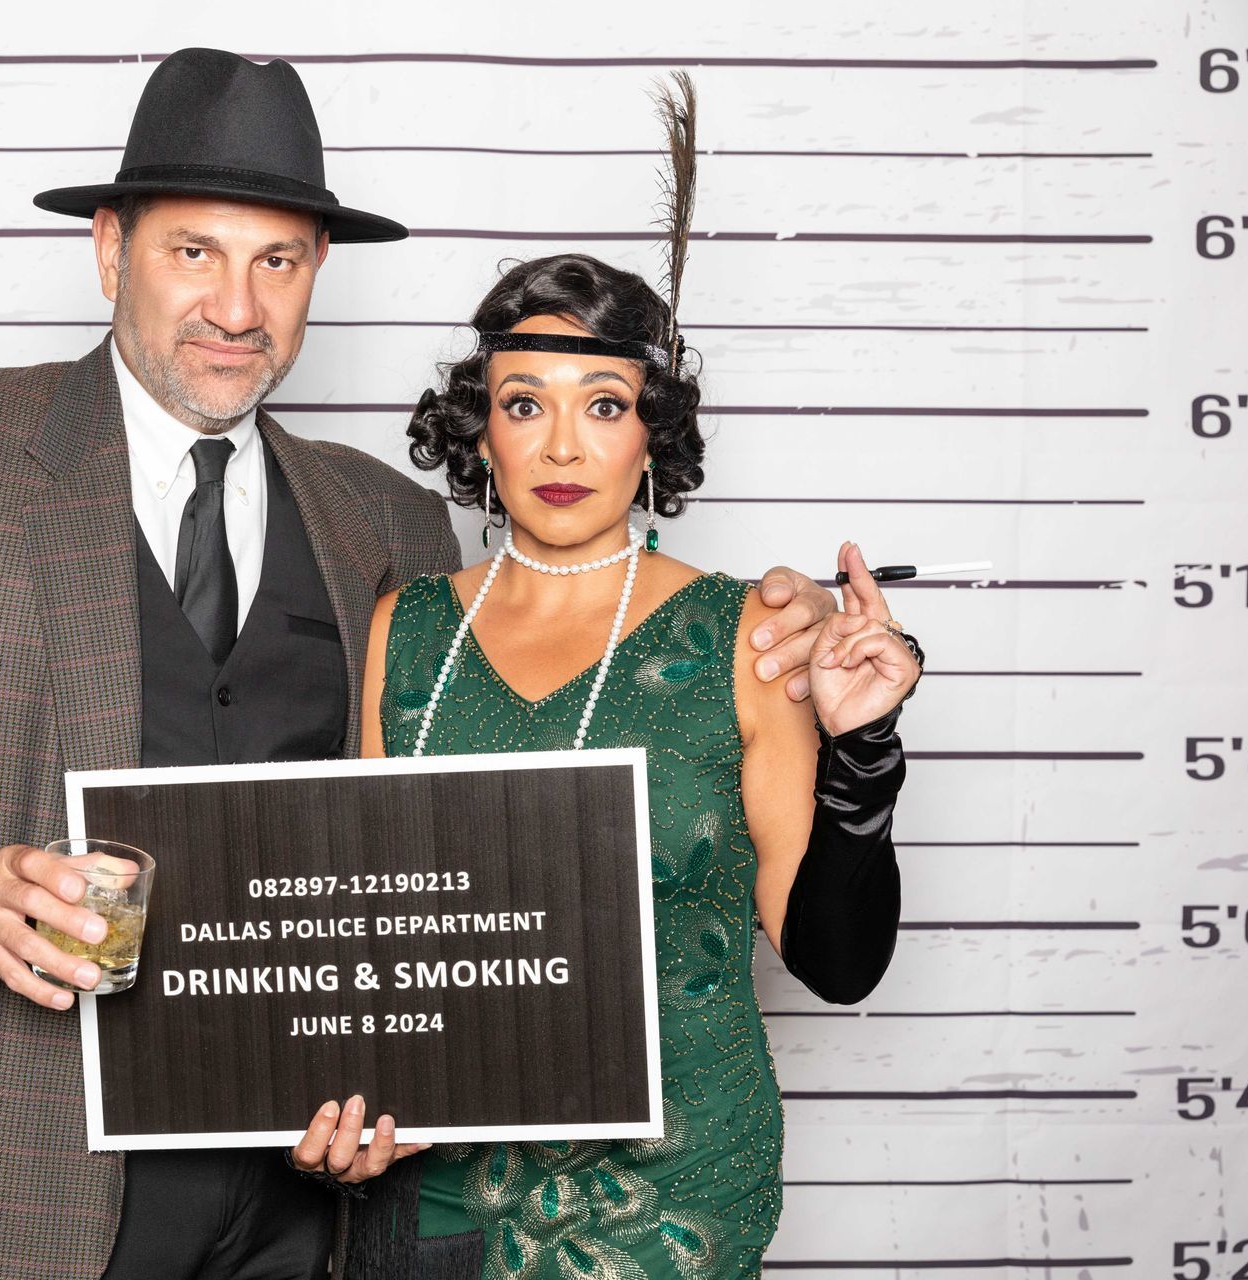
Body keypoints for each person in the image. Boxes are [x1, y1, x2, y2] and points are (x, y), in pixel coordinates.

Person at [0, 49, 847, 1280]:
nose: (237, 308)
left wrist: (798, 632)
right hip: (21, 1172)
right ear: (110, 250)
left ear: (317, 271)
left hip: (315, 1207)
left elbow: (479, 800)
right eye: (195, 251)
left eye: (277, 261)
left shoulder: (383, 520)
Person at [350, 244, 923, 1274]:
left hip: (671, 1191)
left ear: (651, 432)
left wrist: (864, 748)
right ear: (481, 430)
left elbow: (839, 965)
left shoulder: (745, 635)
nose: (563, 444)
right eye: (525, 404)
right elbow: (371, 933)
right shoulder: (408, 629)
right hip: (439, 1184)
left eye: (604, 406)